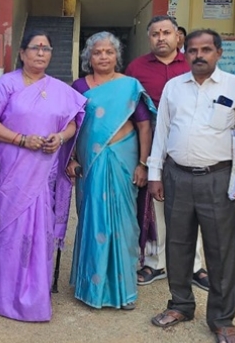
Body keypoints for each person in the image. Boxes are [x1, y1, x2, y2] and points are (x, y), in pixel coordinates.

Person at [146, 29, 235, 342]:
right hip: (176, 176)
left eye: (206, 49)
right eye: (194, 50)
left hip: (218, 178)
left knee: (221, 250)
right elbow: (162, 132)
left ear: (218, 53)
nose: (199, 55)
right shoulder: (174, 87)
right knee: (178, 245)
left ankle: (222, 319)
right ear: (187, 52)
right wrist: (155, 172)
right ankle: (181, 304)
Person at [0, 30, 85, 322]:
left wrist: (60, 138)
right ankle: (3, 297)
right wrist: (21, 139)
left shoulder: (60, 89)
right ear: (23, 53)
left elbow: (74, 122)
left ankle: (35, 298)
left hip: (44, 170)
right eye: (35, 48)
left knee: (39, 231)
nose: (41, 53)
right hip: (13, 168)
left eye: (46, 48)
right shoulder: (7, 83)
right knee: (10, 230)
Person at [68, 31, 152, 311]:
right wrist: (70, 159)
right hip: (90, 163)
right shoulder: (79, 86)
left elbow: (143, 125)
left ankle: (123, 289)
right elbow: (71, 125)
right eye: (97, 52)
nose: (103, 56)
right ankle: (90, 287)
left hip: (124, 159)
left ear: (117, 56)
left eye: (109, 52)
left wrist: (143, 163)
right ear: (88, 57)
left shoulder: (129, 86)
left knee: (124, 224)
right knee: (92, 220)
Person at [124, 15, 203, 288]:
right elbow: (128, 110)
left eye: (166, 32)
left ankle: (194, 265)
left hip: (190, 142)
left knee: (192, 204)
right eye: (155, 33)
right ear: (149, 38)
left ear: (177, 37)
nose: (161, 38)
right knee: (153, 204)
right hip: (150, 143)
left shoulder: (194, 65)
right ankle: (154, 263)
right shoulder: (136, 68)